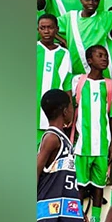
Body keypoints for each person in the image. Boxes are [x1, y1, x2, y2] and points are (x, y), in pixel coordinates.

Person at [37, 89, 83, 222]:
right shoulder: (51, 138)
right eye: (72, 106)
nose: (74, 110)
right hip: (46, 207)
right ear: (65, 111)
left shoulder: (64, 138)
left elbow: (68, 178)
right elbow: (36, 170)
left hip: (64, 209)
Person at [71, 45, 112, 222]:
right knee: (80, 186)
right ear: (89, 60)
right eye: (100, 56)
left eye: (105, 55)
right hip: (82, 146)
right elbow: (71, 107)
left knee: (98, 187)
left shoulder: (109, 85)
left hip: (102, 145)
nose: (104, 59)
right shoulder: (79, 81)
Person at [60, 0, 112, 74]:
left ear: (99, 0)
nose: (91, 3)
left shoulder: (104, 17)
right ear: (80, 0)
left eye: (95, 0)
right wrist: (63, 41)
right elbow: (51, 26)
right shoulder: (70, 17)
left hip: (97, 72)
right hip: (75, 70)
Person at [38, 15, 73, 144]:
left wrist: (69, 111)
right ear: (38, 30)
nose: (46, 31)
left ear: (57, 29)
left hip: (54, 114)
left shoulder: (64, 54)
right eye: (43, 28)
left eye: (50, 27)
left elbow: (67, 83)